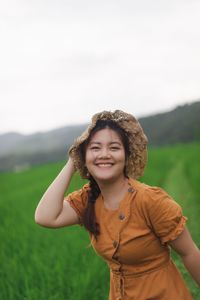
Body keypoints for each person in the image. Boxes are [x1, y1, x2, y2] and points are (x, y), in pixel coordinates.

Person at [35, 110, 200, 300]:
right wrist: (72, 161)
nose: (104, 155)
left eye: (114, 148)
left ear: (126, 155)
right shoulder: (88, 199)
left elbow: (190, 253)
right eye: (95, 148)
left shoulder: (150, 201)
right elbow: (45, 217)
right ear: (84, 156)